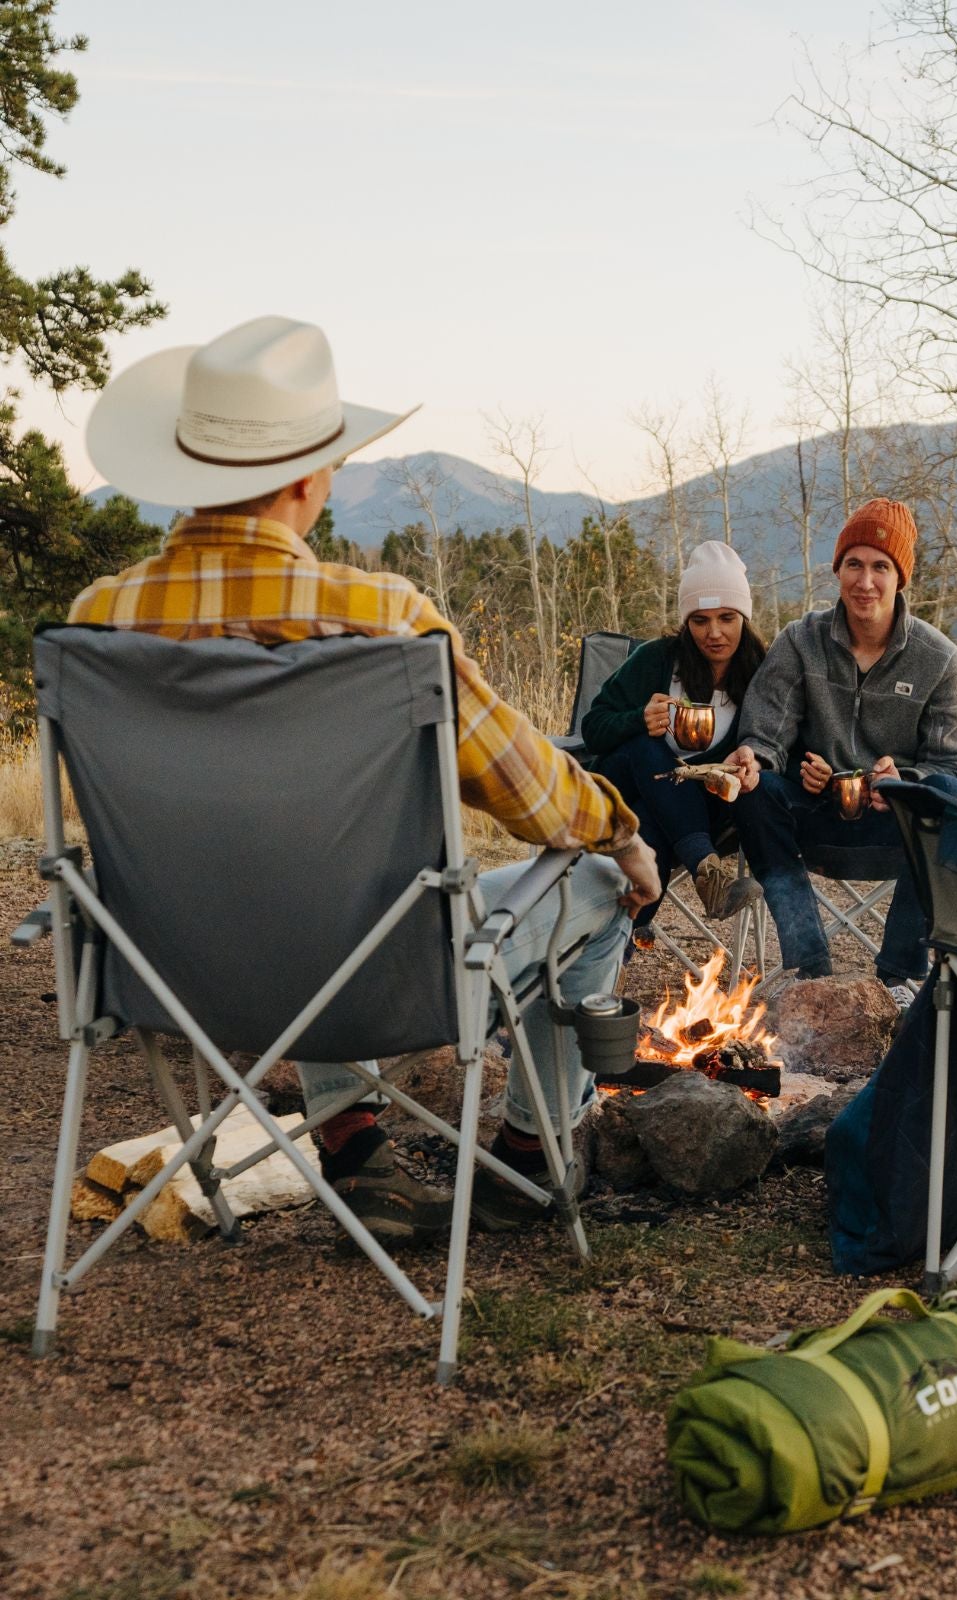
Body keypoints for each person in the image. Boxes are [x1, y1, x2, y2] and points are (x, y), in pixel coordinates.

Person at [71, 315, 660, 1241]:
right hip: (377, 979)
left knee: (290, 874)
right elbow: (533, 793)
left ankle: (354, 1145)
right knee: (590, 881)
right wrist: (623, 836)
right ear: (308, 479)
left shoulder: (95, 624)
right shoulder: (383, 619)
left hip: (165, 975)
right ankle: (528, 1159)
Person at [726, 498, 957, 1002]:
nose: (865, 582)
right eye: (854, 564)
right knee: (755, 791)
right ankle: (810, 969)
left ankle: (898, 977)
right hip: (814, 814)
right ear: (837, 570)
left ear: (900, 578)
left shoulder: (940, 660)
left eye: (881, 567)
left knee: (948, 794)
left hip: (895, 828)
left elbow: (952, 765)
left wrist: (907, 781)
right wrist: (763, 760)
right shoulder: (801, 642)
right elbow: (765, 734)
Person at [580, 541, 767, 926]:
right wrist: (638, 719)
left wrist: (754, 762)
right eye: (700, 620)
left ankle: (619, 947)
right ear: (686, 622)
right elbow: (593, 728)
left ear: (744, 618)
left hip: (696, 808)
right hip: (620, 790)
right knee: (642, 746)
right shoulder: (657, 659)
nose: (714, 633)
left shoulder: (760, 672)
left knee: (654, 819)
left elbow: (776, 741)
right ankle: (707, 872)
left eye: (727, 618)